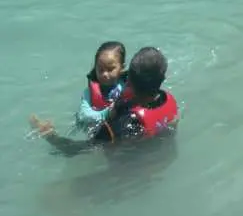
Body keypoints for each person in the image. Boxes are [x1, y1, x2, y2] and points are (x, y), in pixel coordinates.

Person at [31, 47, 179, 154]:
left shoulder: (125, 121)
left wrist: (50, 136)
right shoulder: (169, 100)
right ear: (162, 79)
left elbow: (79, 149)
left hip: (126, 168)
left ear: (128, 81)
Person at [76, 41, 128, 131]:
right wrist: (107, 113)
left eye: (110, 69)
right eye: (100, 69)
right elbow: (84, 116)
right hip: (99, 134)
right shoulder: (88, 93)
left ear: (122, 68)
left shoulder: (127, 86)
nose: (104, 74)